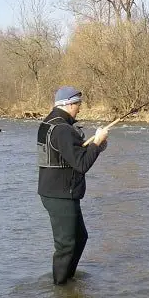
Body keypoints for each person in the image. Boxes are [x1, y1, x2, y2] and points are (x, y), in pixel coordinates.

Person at [37, 86, 109, 285]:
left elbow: (71, 155)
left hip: (58, 191)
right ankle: (60, 288)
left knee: (80, 238)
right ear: (68, 104)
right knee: (67, 245)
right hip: (60, 194)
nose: (80, 108)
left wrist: (97, 146)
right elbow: (81, 164)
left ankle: (68, 279)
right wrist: (96, 144)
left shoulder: (51, 123)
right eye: (78, 104)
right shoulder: (62, 129)